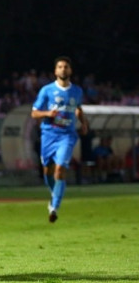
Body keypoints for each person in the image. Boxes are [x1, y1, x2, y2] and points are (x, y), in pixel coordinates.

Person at [31, 56, 88, 223]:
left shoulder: (77, 91)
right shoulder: (47, 90)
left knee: (60, 169)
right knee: (47, 171)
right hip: (49, 135)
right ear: (55, 71)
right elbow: (34, 113)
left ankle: (54, 207)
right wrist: (47, 113)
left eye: (66, 67)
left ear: (70, 70)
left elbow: (78, 108)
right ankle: (54, 194)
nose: (63, 69)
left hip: (67, 135)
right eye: (60, 67)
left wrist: (83, 123)